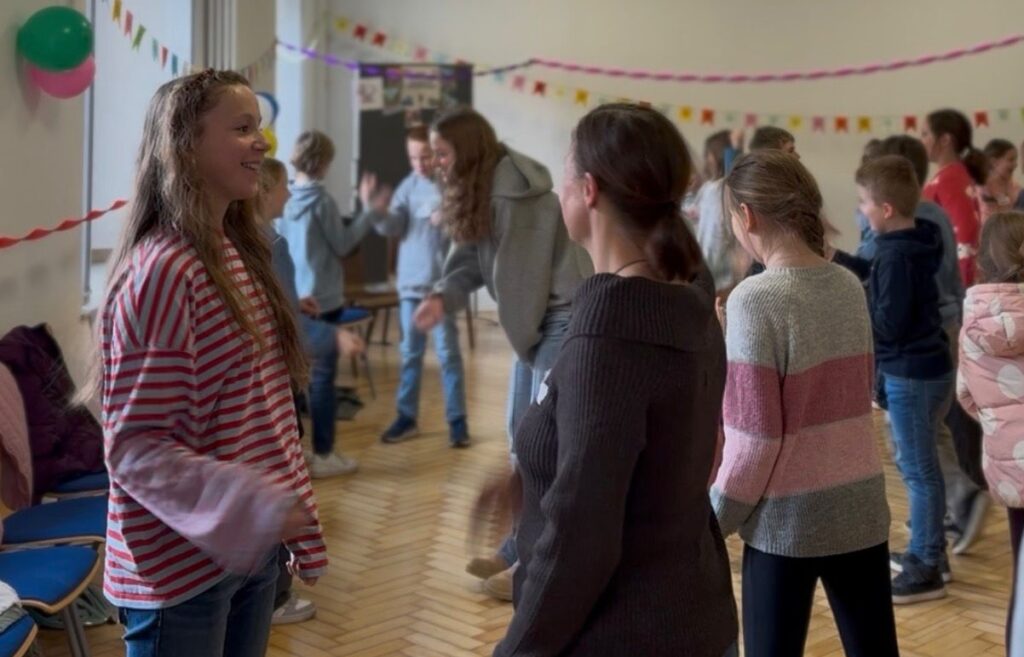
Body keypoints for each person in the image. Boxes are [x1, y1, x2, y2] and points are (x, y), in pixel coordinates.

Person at [493, 102, 738, 657]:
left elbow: (582, 538)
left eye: (564, 173)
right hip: (698, 616)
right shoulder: (688, 301)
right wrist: (532, 470)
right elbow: (650, 463)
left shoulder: (610, 336)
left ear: (589, 190)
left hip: (628, 634)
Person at [97, 69, 325, 656]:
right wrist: (255, 502)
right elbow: (135, 447)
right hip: (180, 569)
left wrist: (280, 511)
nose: (262, 143)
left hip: (247, 547)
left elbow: (264, 412)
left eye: (259, 127)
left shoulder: (234, 251)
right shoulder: (165, 270)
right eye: (243, 128)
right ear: (185, 146)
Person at [712, 150, 897, 656]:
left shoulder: (754, 299)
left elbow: (755, 442)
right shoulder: (848, 285)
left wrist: (713, 521)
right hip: (861, 504)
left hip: (786, 522)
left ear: (747, 215)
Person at [412, 107, 592, 601]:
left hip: (559, 318)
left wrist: (525, 347)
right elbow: (470, 258)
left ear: (467, 150)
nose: (437, 163)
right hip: (538, 324)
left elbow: (521, 283)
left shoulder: (514, 196)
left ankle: (531, 565)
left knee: (540, 445)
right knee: (520, 437)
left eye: (442, 154)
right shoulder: (482, 188)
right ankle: (517, 546)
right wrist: (443, 296)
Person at [856, 155, 954, 602]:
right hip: (930, 368)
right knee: (922, 466)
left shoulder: (894, 257)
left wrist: (856, 312)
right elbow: (884, 284)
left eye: (864, 203)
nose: (862, 211)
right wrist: (841, 262)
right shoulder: (916, 241)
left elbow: (889, 325)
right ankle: (932, 550)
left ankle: (926, 564)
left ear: (886, 209)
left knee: (918, 471)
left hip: (911, 374)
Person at [359, 126, 469, 447]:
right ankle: (406, 418)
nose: (419, 164)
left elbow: (467, 230)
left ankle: (457, 422)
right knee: (410, 354)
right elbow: (392, 227)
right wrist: (374, 209)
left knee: (448, 355)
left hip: (440, 289)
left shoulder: (453, 185)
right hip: (410, 286)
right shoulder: (407, 188)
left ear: (437, 153)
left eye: (425, 156)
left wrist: (450, 217)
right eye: (413, 158)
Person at [277, 130, 374, 476]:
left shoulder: (282, 197)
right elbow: (344, 244)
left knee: (294, 379)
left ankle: (296, 451)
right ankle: (324, 453)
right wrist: (368, 211)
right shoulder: (323, 202)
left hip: (295, 297)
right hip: (324, 300)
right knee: (322, 379)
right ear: (322, 163)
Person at [956, 210, 1024, 648]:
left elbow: (966, 395)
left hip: (1009, 466)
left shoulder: (973, 325)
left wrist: (1000, 422)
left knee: (1022, 567)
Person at [921, 109, 988, 287]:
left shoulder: (951, 179)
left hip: (951, 284)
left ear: (945, 139)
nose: (922, 141)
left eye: (925, 134)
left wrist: (961, 285)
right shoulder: (949, 176)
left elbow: (966, 233)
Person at [981, 139, 1024, 220]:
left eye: (1015, 160)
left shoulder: (1017, 190)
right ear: (994, 162)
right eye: (1011, 159)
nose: (1016, 164)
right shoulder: (980, 188)